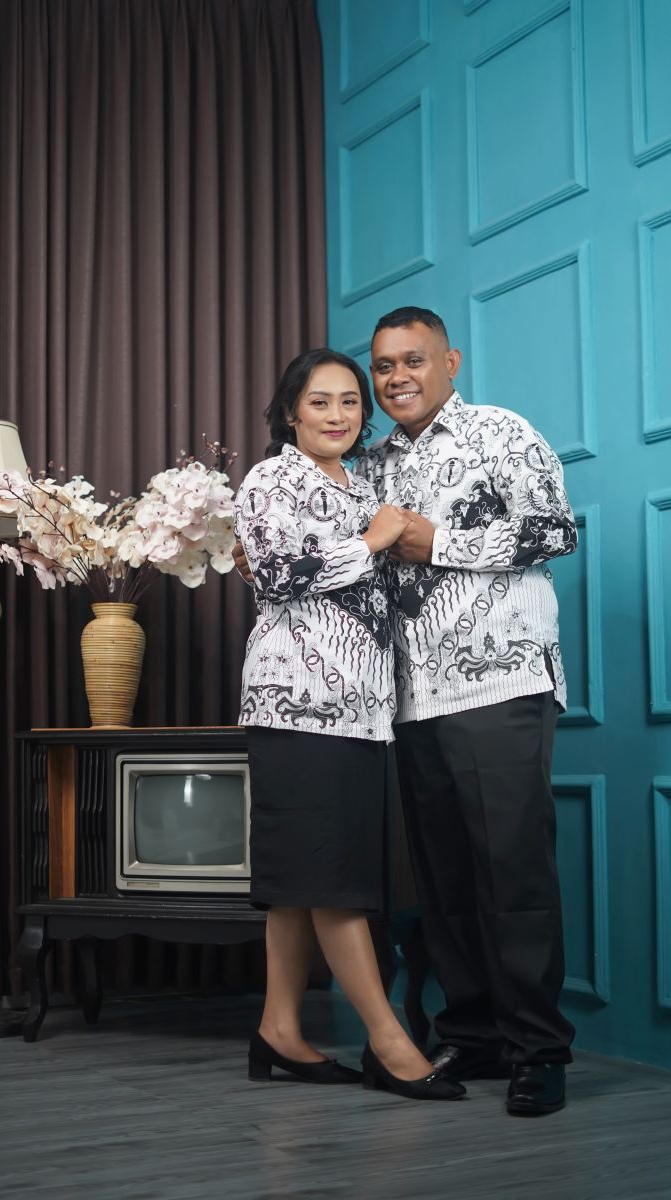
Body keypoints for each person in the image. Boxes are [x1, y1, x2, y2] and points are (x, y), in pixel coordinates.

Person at [354, 306, 577, 1116]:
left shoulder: (501, 433)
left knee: (511, 875)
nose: (397, 377)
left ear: (449, 362)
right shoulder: (370, 465)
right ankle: (475, 1036)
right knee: (444, 881)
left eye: (413, 360)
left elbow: (555, 531)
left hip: (500, 685)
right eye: (384, 365)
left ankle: (538, 1052)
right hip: (411, 698)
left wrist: (437, 541)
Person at [234, 347, 464, 1102]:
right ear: (290, 411)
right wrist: (372, 540)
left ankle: (278, 1030)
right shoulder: (271, 480)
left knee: (305, 875)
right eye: (319, 402)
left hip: (364, 711)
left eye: (350, 402)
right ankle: (389, 1044)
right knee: (334, 878)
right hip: (297, 703)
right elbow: (278, 577)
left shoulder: (362, 484)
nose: (337, 415)